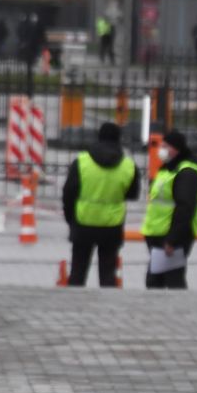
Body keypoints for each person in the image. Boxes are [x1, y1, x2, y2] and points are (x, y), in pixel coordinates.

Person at [60, 121, 139, 288]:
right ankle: (107, 310)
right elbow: (133, 194)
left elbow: (68, 193)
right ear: (119, 139)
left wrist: (71, 219)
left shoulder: (82, 162)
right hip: (112, 224)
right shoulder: (129, 165)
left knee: (77, 272)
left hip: (83, 222)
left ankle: (73, 307)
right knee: (108, 275)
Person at [141, 130, 197, 290]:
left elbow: (185, 207)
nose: (161, 149)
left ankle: (176, 312)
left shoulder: (186, 172)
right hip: (158, 232)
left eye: (165, 146)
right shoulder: (168, 169)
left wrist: (172, 240)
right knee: (158, 280)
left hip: (171, 236)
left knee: (170, 280)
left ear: (176, 148)